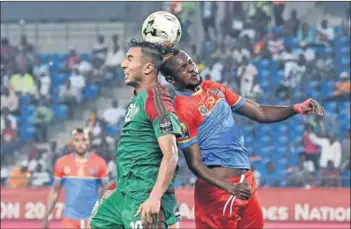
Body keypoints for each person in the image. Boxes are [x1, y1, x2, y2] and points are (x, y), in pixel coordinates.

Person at [160, 49, 324, 229]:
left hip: (245, 182)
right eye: (183, 68)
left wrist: (295, 108)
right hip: (218, 191)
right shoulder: (181, 110)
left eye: (190, 62)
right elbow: (195, 164)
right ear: (171, 79)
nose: (191, 68)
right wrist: (229, 188)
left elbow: (260, 112)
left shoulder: (215, 88)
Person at [89, 40, 182, 229]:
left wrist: (155, 198)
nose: (123, 64)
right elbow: (138, 150)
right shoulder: (138, 99)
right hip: (124, 191)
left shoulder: (157, 100)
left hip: (143, 194)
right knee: (96, 223)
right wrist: (117, 185)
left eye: (130, 59)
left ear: (148, 67)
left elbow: (171, 154)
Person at [42, 128, 109, 229]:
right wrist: (46, 216)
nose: (80, 143)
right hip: (69, 220)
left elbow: (107, 192)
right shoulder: (62, 163)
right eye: (77, 140)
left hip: (92, 219)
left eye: (84, 140)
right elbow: (55, 192)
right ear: (72, 143)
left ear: (89, 142)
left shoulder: (100, 163)